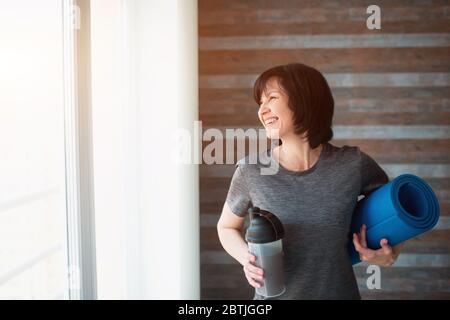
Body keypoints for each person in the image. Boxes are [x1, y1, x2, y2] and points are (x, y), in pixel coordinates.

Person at [216, 63, 403, 300]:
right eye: (260, 103)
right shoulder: (251, 170)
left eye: (271, 98)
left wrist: (391, 253)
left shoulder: (353, 165)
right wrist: (247, 259)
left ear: (304, 100)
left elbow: (397, 217)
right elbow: (226, 227)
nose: (261, 111)